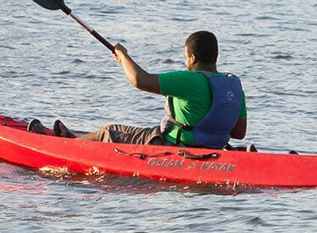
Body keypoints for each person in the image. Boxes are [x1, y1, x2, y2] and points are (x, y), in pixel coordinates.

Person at [28, 31, 247, 148]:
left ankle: (65, 146)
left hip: (174, 146)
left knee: (109, 132)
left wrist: (123, 56)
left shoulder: (189, 79)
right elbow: (238, 134)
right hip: (214, 148)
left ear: (192, 57)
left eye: (185, 57)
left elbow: (140, 80)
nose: (185, 62)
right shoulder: (233, 85)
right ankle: (75, 138)